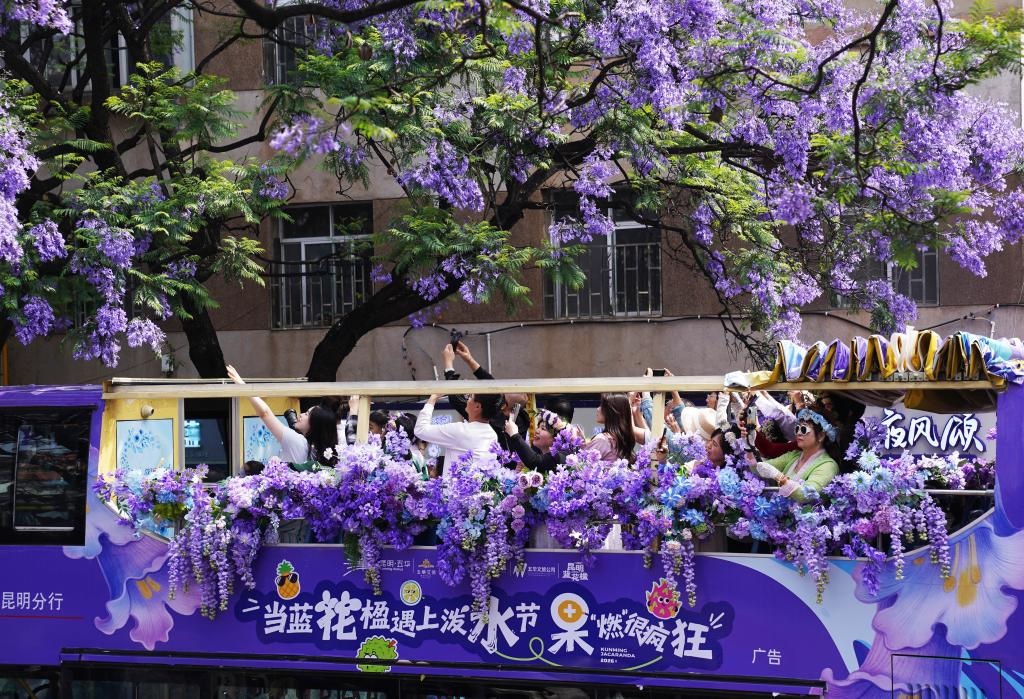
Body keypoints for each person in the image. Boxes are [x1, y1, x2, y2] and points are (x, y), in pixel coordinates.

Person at [226, 365, 338, 467]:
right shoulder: (322, 456)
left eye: (307, 414)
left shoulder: (297, 441)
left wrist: (242, 385)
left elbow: (265, 413)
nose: (301, 414)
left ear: (314, 425)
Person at [441, 342, 530, 449]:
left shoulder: (496, 423)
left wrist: (448, 364)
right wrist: (469, 359)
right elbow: (492, 384)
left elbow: (456, 398)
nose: (497, 393)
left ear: (505, 407)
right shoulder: (518, 417)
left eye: (501, 395)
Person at [746, 407, 839, 502]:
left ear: (821, 436)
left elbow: (805, 495)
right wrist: (748, 446)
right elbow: (758, 469)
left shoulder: (828, 466)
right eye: (797, 428)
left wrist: (779, 477)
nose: (798, 433)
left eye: (804, 429)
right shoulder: (794, 455)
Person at [415, 393, 499, 473]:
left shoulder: (461, 430)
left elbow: (421, 429)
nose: (467, 400)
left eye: (470, 397)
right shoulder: (492, 435)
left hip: (456, 483)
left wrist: (433, 398)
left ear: (477, 406)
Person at [503, 398, 576, 472]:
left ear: (557, 436)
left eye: (543, 428)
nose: (537, 431)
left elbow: (535, 462)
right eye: (538, 427)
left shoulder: (562, 456)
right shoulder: (537, 451)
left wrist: (514, 435)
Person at [590, 393, 644, 463]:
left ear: (612, 411)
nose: (598, 409)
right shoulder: (621, 438)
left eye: (602, 406)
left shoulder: (602, 440)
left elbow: (583, 464)